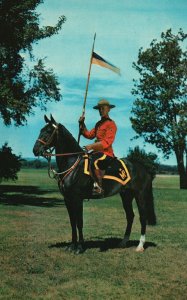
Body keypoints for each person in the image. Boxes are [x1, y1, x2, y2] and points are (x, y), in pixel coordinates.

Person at [79, 99, 117, 196]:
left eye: (103, 108)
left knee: (95, 162)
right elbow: (88, 135)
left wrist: (92, 146)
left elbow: (107, 142)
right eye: (99, 109)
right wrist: (82, 124)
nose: (101, 111)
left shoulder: (111, 124)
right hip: (96, 152)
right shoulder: (98, 124)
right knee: (83, 160)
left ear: (108, 109)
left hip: (106, 153)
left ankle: (99, 187)